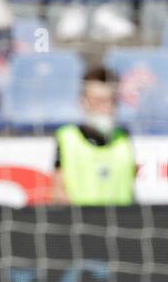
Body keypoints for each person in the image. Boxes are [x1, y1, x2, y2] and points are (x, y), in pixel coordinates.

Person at [51, 64, 136, 205]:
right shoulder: (67, 138)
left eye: (112, 100)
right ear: (83, 102)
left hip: (122, 222)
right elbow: (59, 192)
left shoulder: (124, 139)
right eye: (99, 101)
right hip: (81, 223)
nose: (106, 107)